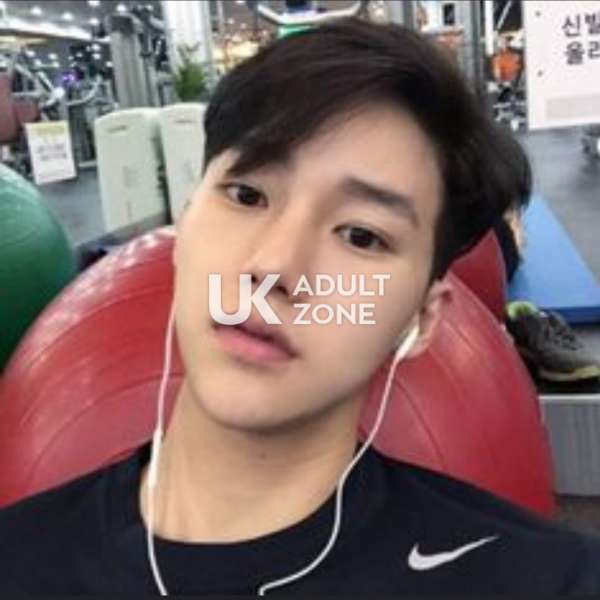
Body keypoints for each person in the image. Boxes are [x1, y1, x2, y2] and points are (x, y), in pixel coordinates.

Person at [2, 17, 600, 597]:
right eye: (247, 194)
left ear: (420, 320)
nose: (275, 267)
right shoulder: (19, 561)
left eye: (361, 235)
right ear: (184, 227)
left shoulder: (547, 581)